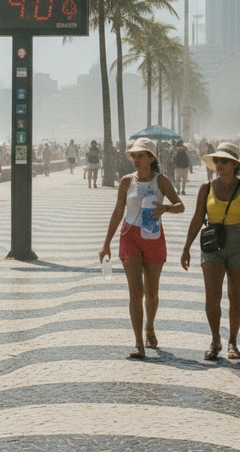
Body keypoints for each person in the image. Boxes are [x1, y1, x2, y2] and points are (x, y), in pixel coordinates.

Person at [99, 138, 184, 358]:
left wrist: (165, 208)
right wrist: (106, 243)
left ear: (151, 159)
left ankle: (150, 327)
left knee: (151, 293)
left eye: (141, 156)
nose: (136, 160)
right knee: (135, 291)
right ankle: (139, 341)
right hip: (130, 236)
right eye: (134, 156)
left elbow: (180, 206)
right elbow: (118, 212)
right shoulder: (127, 181)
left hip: (154, 236)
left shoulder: (161, 181)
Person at [180, 143, 240, 361]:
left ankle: (233, 341)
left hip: (239, 241)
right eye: (216, 161)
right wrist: (186, 248)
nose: (219, 164)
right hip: (212, 243)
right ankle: (215, 339)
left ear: (234, 164)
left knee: (235, 295)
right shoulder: (205, 188)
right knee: (212, 295)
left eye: (224, 161)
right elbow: (197, 218)